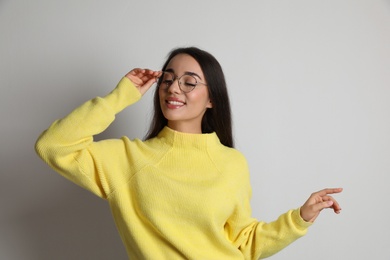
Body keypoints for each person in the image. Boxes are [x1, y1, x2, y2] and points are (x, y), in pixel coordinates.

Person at [35, 47, 342, 259]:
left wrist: (300, 218)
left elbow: (245, 243)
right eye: (167, 79)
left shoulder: (232, 163)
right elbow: (53, 146)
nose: (173, 88)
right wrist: (120, 97)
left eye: (189, 82)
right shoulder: (128, 159)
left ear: (211, 98)